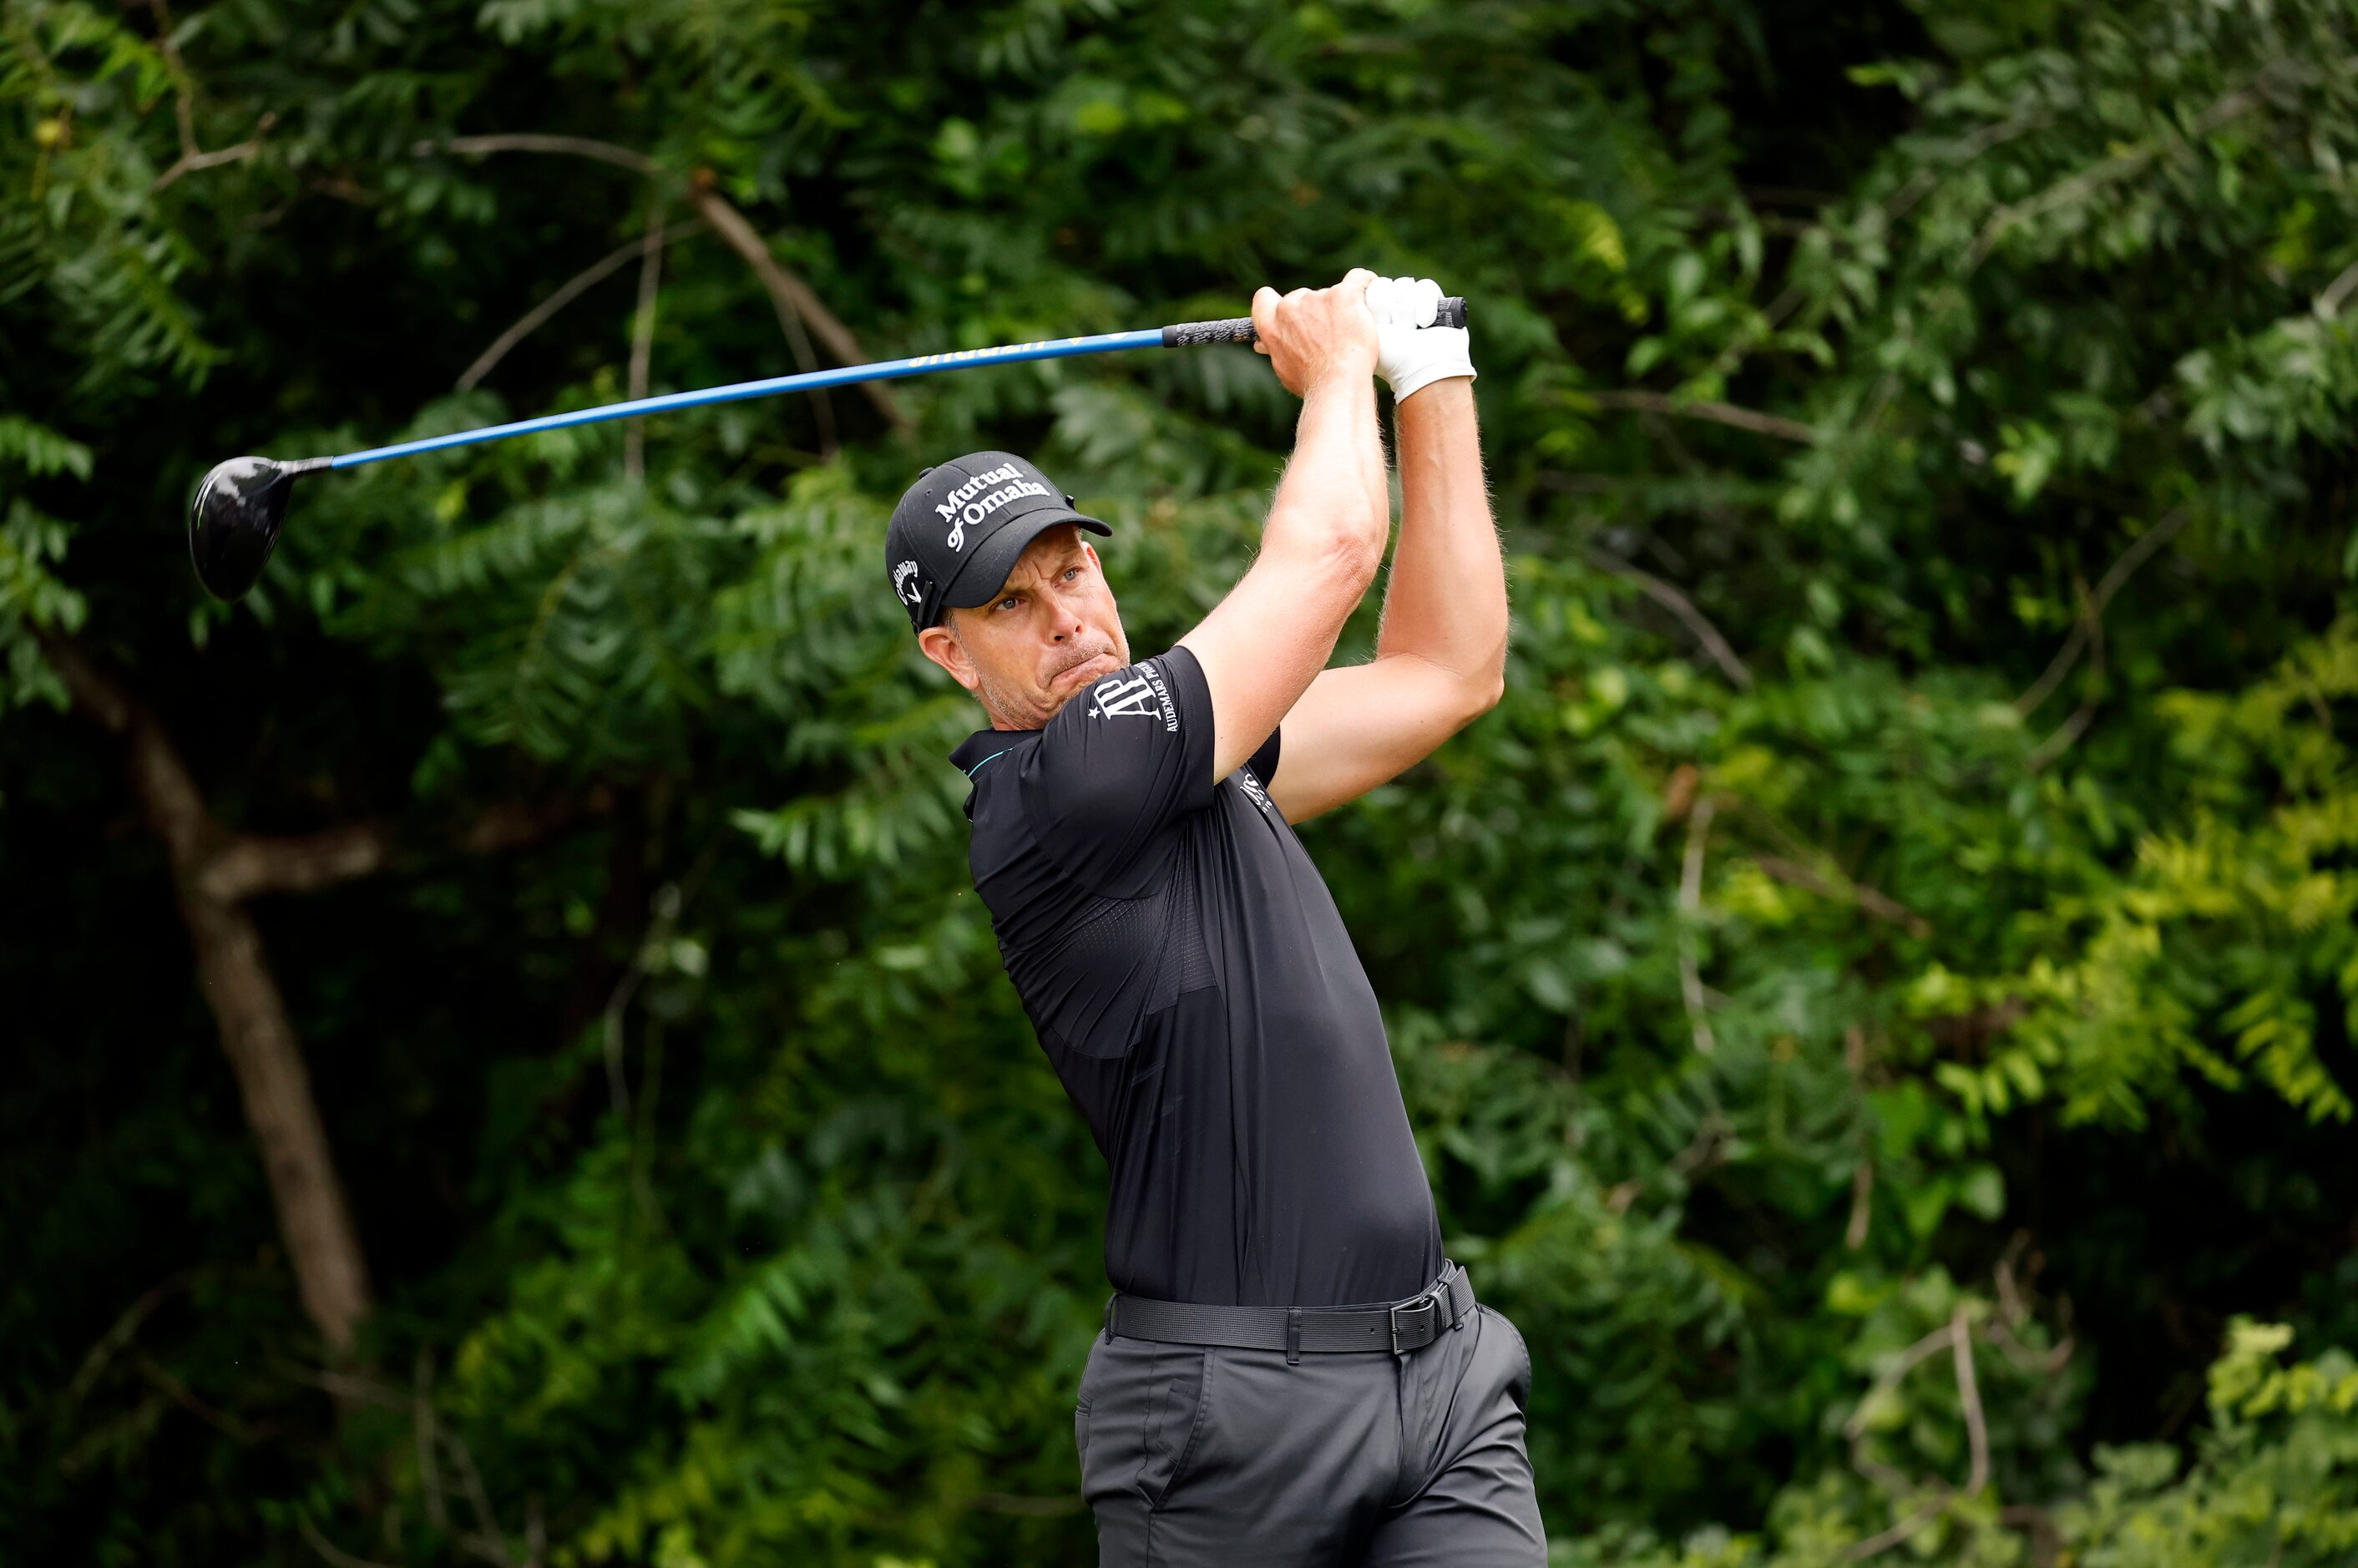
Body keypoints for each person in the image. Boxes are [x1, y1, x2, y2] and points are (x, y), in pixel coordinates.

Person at [883, 270, 1536, 1565]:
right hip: (1229, 1420)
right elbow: (1336, 553)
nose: (1068, 617)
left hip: (1441, 1373)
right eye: (1012, 603)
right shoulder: (1063, 791)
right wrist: (1340, 361)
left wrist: (1434, 374)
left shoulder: (1204, 753)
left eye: (1073, 569)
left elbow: (1447, 671)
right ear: (951, 657)